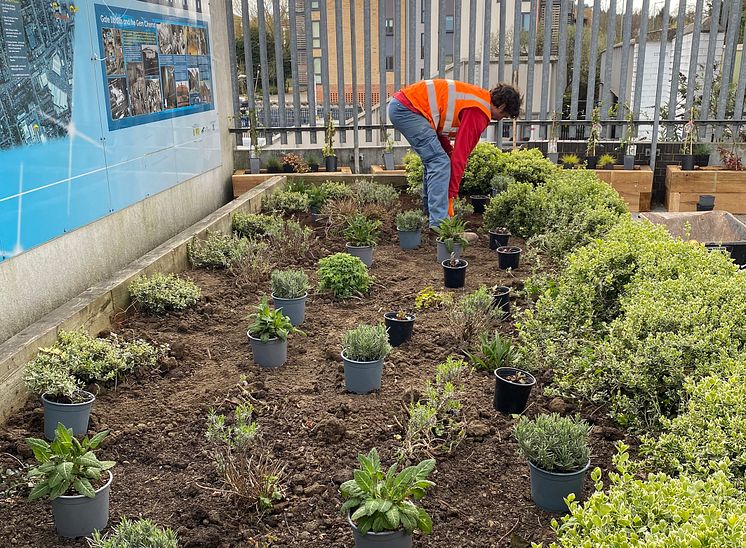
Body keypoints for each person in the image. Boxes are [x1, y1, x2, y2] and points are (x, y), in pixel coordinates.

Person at [388, 79, 522, 228]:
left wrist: (447, 151)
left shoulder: (477, 98)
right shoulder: (479, 111)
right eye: (504, 115)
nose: (500, 119)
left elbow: (440, 127)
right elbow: (461, 155)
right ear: (502, 106)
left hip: (405, 106)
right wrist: (451, 193)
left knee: (436, 160)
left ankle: (431, 216)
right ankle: (439, 226)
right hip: (408, 110)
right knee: (439, 162)